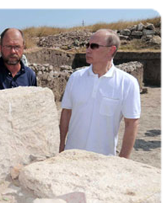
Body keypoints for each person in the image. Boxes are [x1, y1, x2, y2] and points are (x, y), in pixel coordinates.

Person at [59, 29, 140, 159]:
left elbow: (132, 123)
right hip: (71, 156)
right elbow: (66, 112)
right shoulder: (75, 78)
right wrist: (61, 145)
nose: (88, 50)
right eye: (87, 45)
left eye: (94, 46)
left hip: (103, 161)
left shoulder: (128, 83)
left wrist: (123, 161)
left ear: (111, 50)